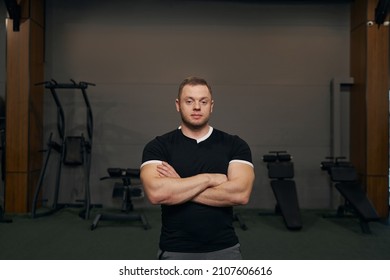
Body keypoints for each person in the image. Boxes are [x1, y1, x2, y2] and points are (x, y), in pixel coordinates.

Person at [140, 76, 255, 260]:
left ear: (212, 105)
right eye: (189, 101)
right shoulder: (158, 147)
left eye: (203, 101)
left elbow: (240, 194)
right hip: (175, 249)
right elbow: (157, 193)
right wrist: (209, 179)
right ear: (178, 105)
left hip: (225, 249)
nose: (196, 107)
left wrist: (178, 185)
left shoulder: (235, 145)